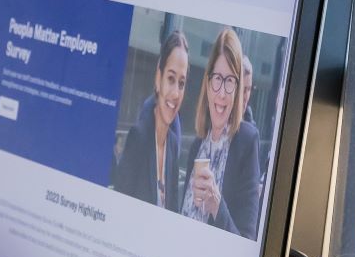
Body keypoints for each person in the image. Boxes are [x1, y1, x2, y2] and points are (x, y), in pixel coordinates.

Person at [180, 27, 262, 237]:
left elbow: (246, 238)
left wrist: (216, 204)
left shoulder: (247, 141)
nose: (222, 94)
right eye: (217, 79)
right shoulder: (198, 144)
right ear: (207, 84)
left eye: (230, 81)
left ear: (238, 90)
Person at [109, 29, 188, 209]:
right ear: (158, 79)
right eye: (170, 78)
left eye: (181, 83)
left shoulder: (173, 145)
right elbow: (119, 206)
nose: (176, 93)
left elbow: (173, 210)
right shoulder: (139, 137)